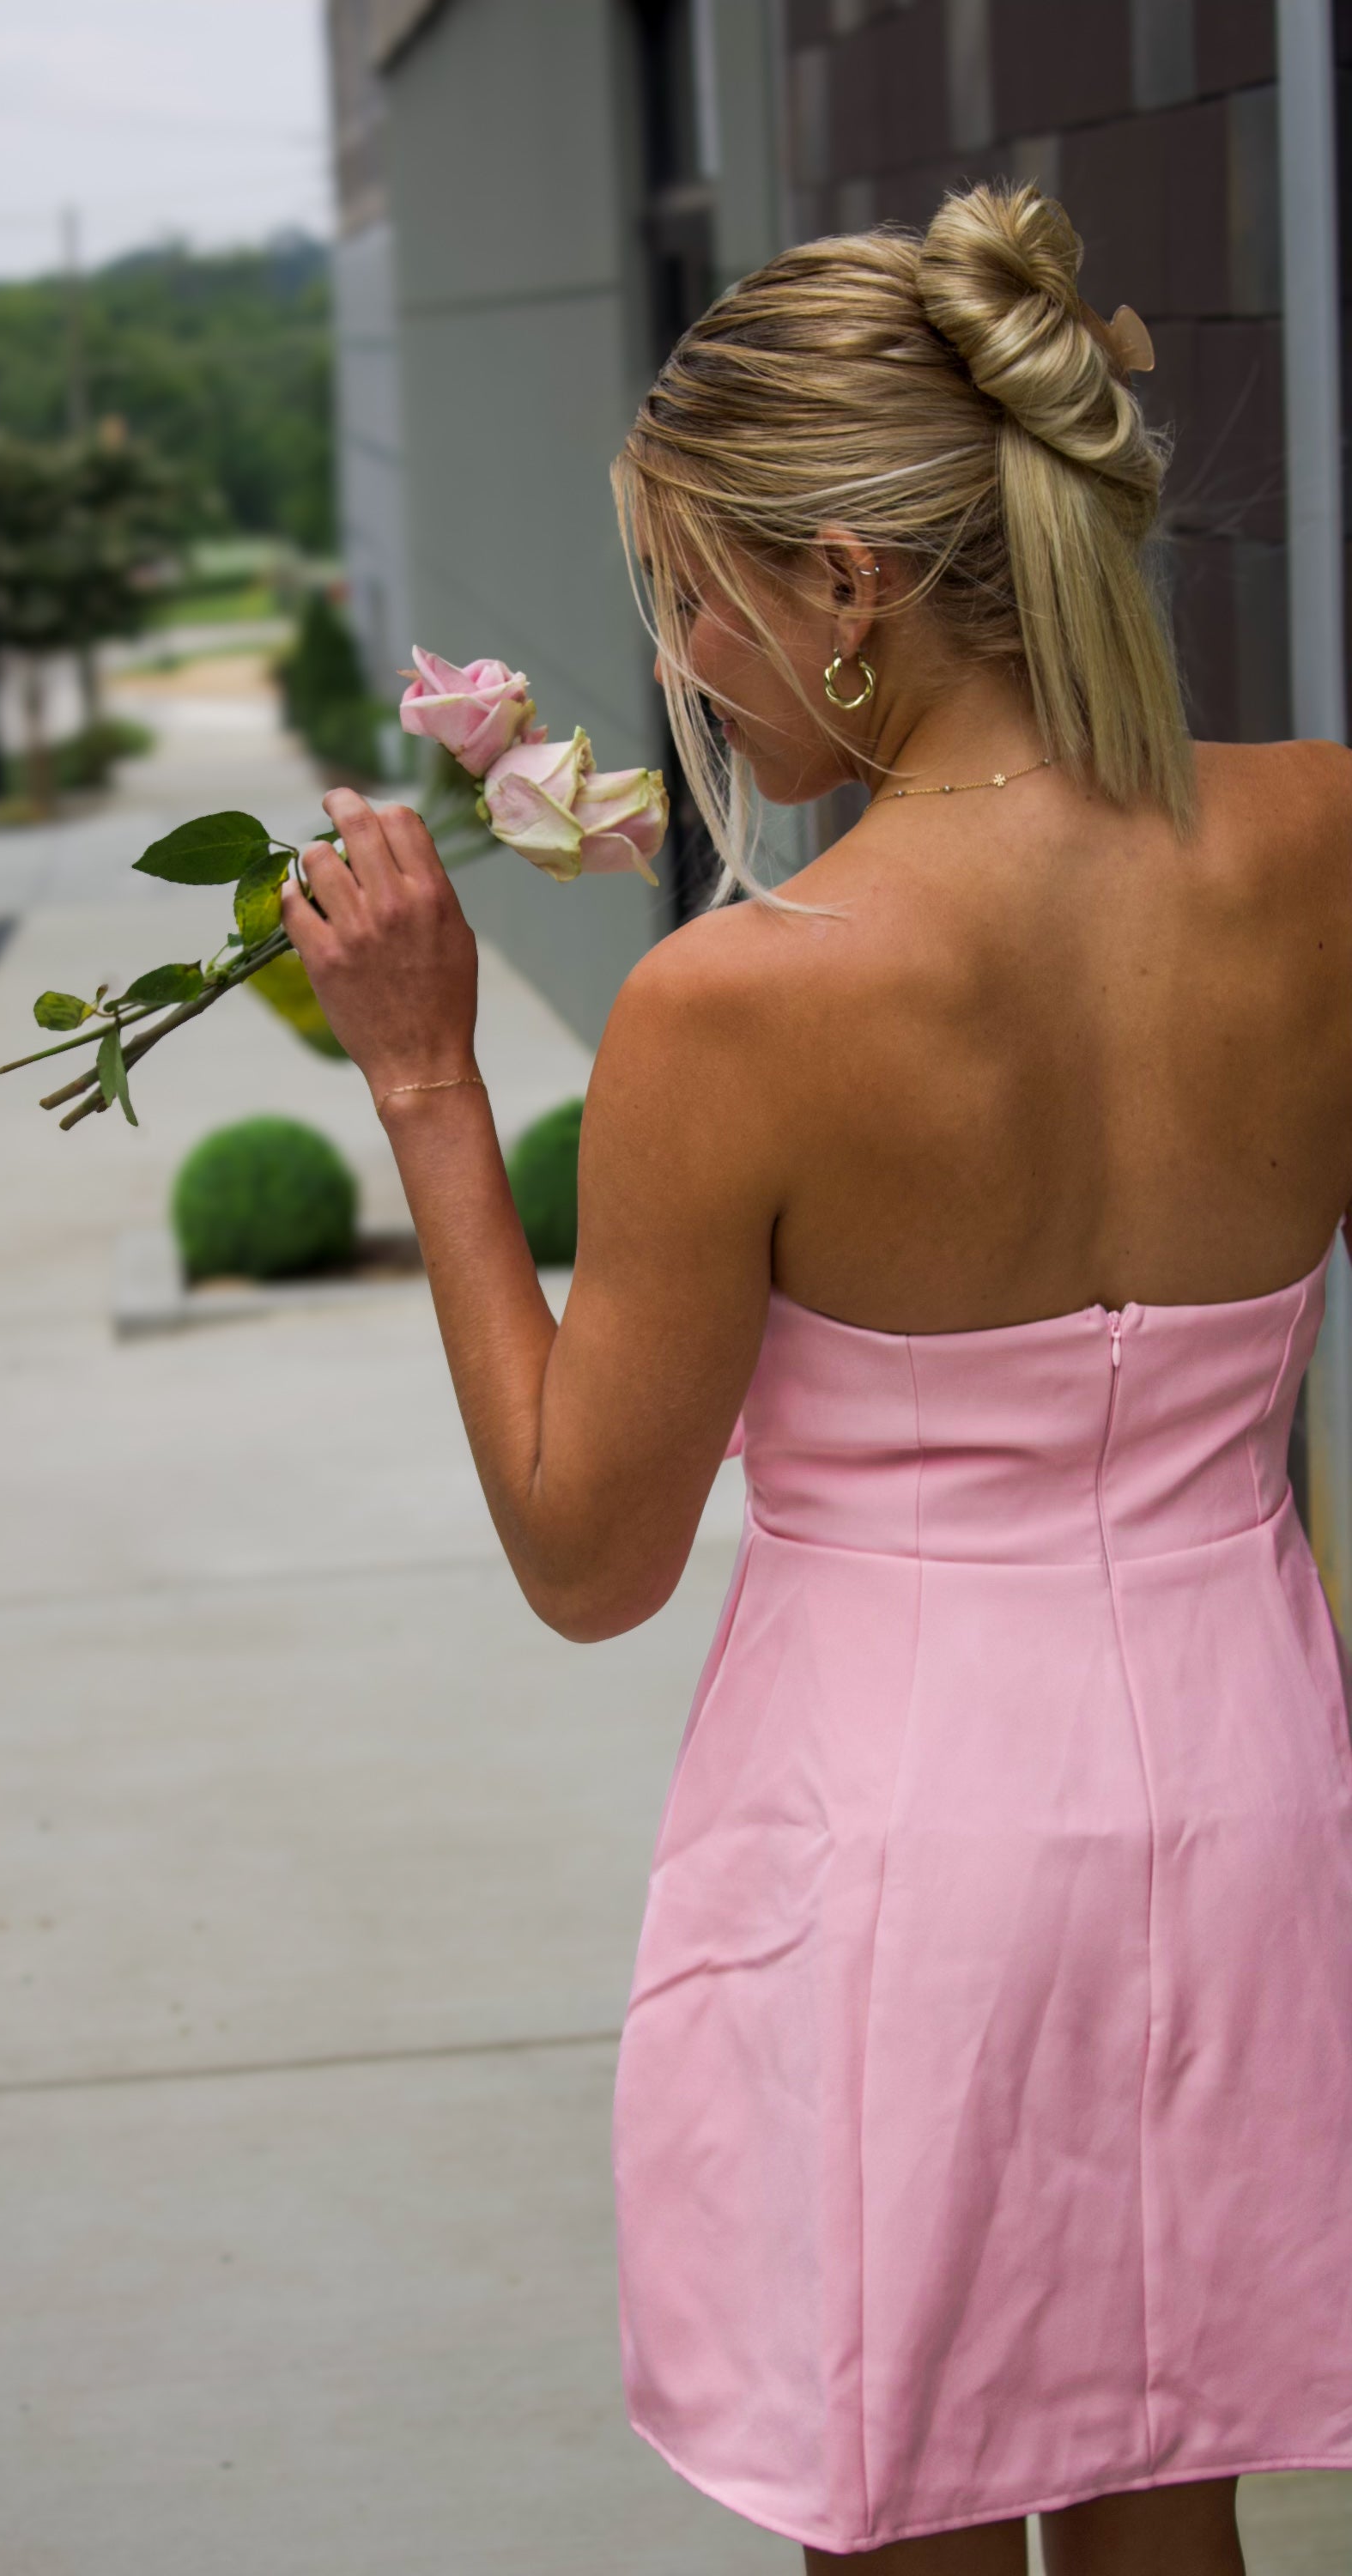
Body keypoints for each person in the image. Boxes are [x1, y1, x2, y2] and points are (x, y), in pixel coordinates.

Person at [278, 182, 1352, 2574]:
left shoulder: (749, 1001)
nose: (680, 650)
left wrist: (435, 1090)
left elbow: (589, 1557)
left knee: (902, 2497)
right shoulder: (1329, 843)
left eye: (695, 588)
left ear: (851, 583)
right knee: (1173, 2489)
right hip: (1253, 1785)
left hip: (904, 1856)